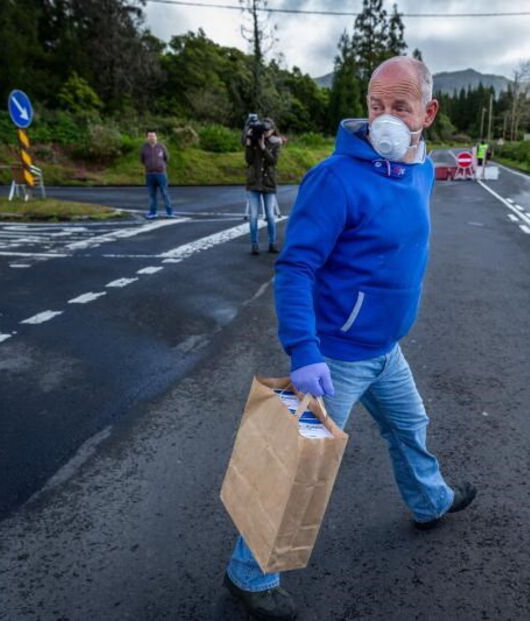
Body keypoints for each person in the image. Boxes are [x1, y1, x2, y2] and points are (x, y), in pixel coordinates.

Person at [223, 56, 477, 621]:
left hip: (386, 351)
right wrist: (304, 349)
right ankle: (248, 575)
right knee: (299, 463)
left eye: (400, 107)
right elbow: (296, 268)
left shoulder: (421, 171)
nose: (385, 118)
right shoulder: (334, 179)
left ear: (428, 113)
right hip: (334, 359)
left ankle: (430, 501)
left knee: (410, 427)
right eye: (375, 105)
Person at [245, 118, 281, 255]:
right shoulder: (253, 141)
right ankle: (254, 244)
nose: (265, 132)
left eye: (267, 130)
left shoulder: (276, 142)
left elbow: (273, 161)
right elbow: (248, 160)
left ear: (272, 130)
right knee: (253, 215)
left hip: (268, 182)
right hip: (254, 182)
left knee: (270, 215)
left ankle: (272, 243)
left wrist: (264, 147)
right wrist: (249, 143)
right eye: (263, 130)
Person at [140, 130, 173, 219]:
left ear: (156, 137)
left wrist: (161, 166)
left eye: (153, 136)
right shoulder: (144, 148)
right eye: (150, 136)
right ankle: (153, 212)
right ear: (147, 138)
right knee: (152, 195)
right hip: (149, 174)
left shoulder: (161, 147)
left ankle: (169, 212)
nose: (152, 138)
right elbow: (142, 160)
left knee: (164, 193)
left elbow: (166, 158)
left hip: (161, 174)